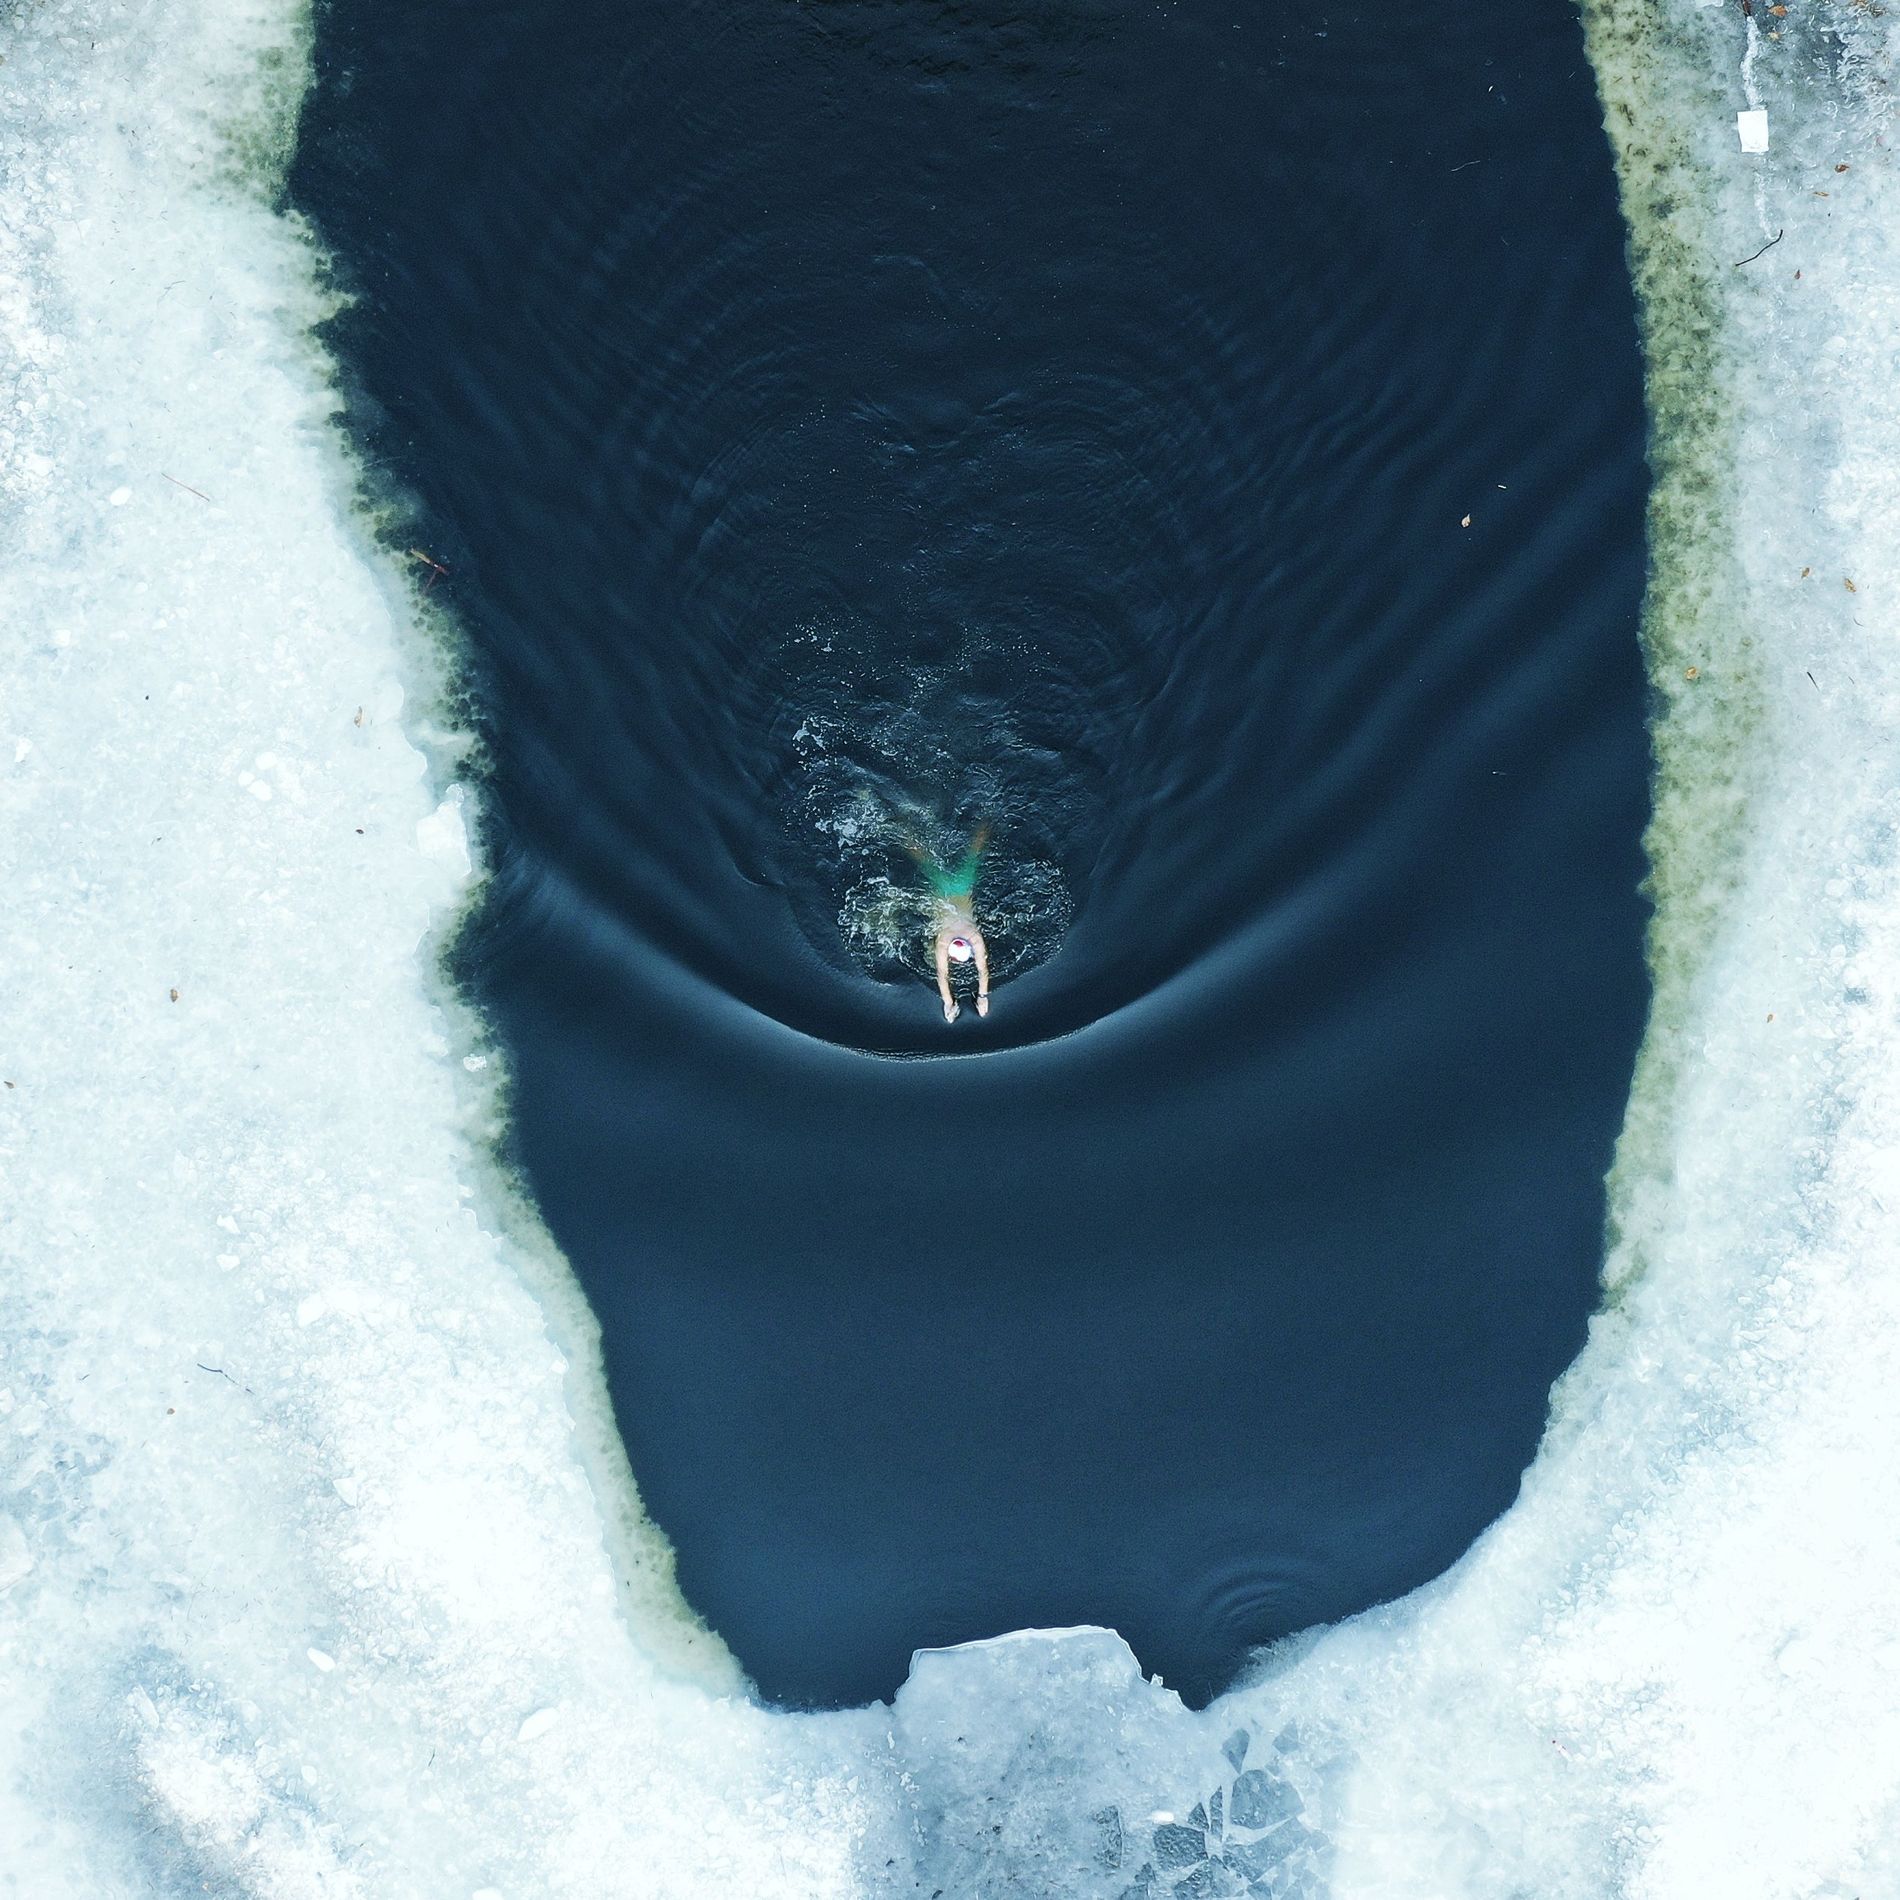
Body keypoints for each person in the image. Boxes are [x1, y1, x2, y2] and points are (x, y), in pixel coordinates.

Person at [909, 825, 991, 1023]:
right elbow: (979, 971)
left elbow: (945, 973)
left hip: (961, 885)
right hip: (946, 885)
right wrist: (978, 999)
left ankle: (986, 822)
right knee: (971, 851)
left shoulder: (967, 937)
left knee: (972, 851)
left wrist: (953, 1002)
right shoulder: (965, 938)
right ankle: (986, 822)